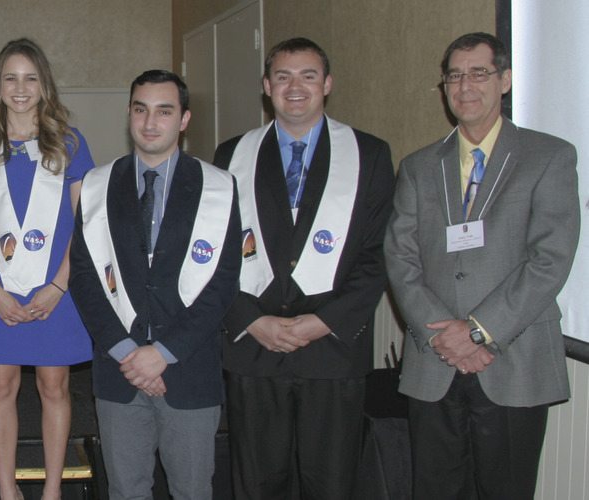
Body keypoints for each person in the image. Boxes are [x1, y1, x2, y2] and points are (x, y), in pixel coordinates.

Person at [385, 32, 579, 499]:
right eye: (454, 76)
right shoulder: (418, 166)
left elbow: (549, 260)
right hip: (434, 362)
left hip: (514, 363)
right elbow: (400, 256)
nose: (465, 86)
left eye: (479, 73)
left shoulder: (549, 156)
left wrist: (477, 332)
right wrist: (442, 335)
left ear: (504, 80)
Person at [210, 37, 395, 499]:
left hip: (333, 350)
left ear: (327, 84)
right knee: (257, 485)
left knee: (330, 484)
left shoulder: (369, 154)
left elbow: (377, 254)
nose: (295, 87)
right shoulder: (231, 155)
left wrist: (324, 321)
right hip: (254, 348)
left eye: (308, 76)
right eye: (283, 76)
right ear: (266, 86)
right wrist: (250, 320)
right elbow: (213, 253)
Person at [70, 69, 241, 500]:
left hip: (189, 369)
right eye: (140, 109)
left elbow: (223, 281)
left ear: (184, 119)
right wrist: (129, 353)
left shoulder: (218, 187)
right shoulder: (96, 185)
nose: (150, 122)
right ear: (128, 113)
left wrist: (162, 353)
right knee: (126, 490)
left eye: (164, 111)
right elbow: (85, 277)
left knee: (192, 491)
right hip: (119, 370)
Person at [0, 38, 95, 500]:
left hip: (58, 285)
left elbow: (85, 222)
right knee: (0, 387)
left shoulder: (70, 143)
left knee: (55, 387)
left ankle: (52, 489)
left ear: (44, 85)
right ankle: (7, 489)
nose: (21, 88)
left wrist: (59, 285)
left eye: (30, 78)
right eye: (11, 78)